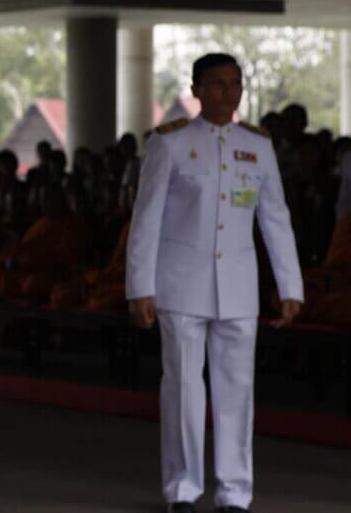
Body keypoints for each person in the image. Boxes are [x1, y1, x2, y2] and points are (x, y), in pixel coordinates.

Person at [126, 53, 302, 513]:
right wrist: (139, 286)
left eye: (235, 83)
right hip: (181, 285)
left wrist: (290, 286)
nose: (229, 91)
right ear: (197, 90)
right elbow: (146, 219)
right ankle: (183, 489)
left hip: (239, 288)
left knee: (236, 393)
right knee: (184, 391)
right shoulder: (171, 143)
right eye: (219, 83)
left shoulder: (257, 145)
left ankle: (234, 492)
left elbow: (275, 218)